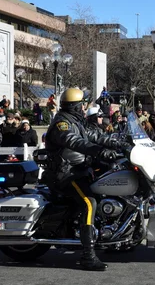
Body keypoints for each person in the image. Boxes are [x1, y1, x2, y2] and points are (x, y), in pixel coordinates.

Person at [45, 88, 120, 271]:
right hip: (65, 174)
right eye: (83, 105)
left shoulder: (76, 122)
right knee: (89, 203)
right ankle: (88, 256)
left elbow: (95, 136)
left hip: (79, 170)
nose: (85, 108)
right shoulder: (61, 124)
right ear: (76, 106)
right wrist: (99, 151)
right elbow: (75, 142)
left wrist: (121, 141)